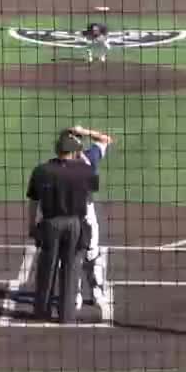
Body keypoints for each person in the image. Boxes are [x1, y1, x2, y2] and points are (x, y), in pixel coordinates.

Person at [26, 129, 98, 323]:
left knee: (46, 268)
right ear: (75, 151)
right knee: (72, 268)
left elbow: (34, 202)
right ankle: (67, 316)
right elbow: (89, 198)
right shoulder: (86, 171)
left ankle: (42, 312)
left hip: (50, 224)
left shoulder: (41, 170)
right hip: (75, 224)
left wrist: (32, 226)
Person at [71, 125, 113, 309]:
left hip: (70, 215)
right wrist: (86, 131)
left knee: (77, 254)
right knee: (88, 254)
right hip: (84, 214)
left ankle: (79, 294)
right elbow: (106, 138)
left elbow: (106, 139)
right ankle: (89, 292)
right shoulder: (89, 157)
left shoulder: (57, 164)